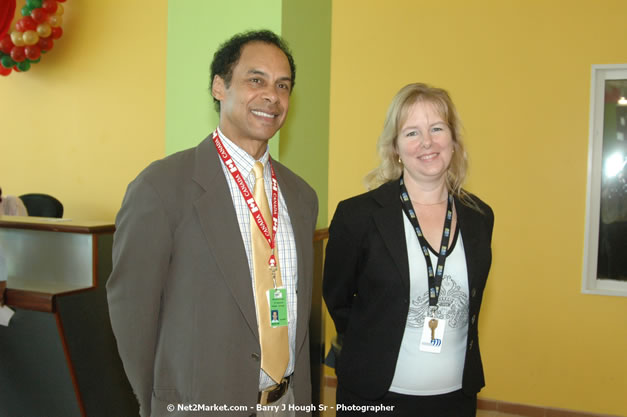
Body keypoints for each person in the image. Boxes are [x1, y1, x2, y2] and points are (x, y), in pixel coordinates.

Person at [107, 30, 318, 417]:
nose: (272, 95)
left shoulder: (301, 197)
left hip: (287, 404)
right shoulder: (162, 187)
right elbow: (131, 312)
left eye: (282, 85)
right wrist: (161, 400)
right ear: (219, 86)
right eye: (256, 80)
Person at [323, 83, 494, 417]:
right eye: (412, 132)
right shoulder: (358, 216)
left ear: (453, 140)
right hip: (374, 395)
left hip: (456, 398)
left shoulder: (479, 217)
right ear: (395, 147)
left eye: (436, 129)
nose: (427, 142)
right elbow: (338, 299)